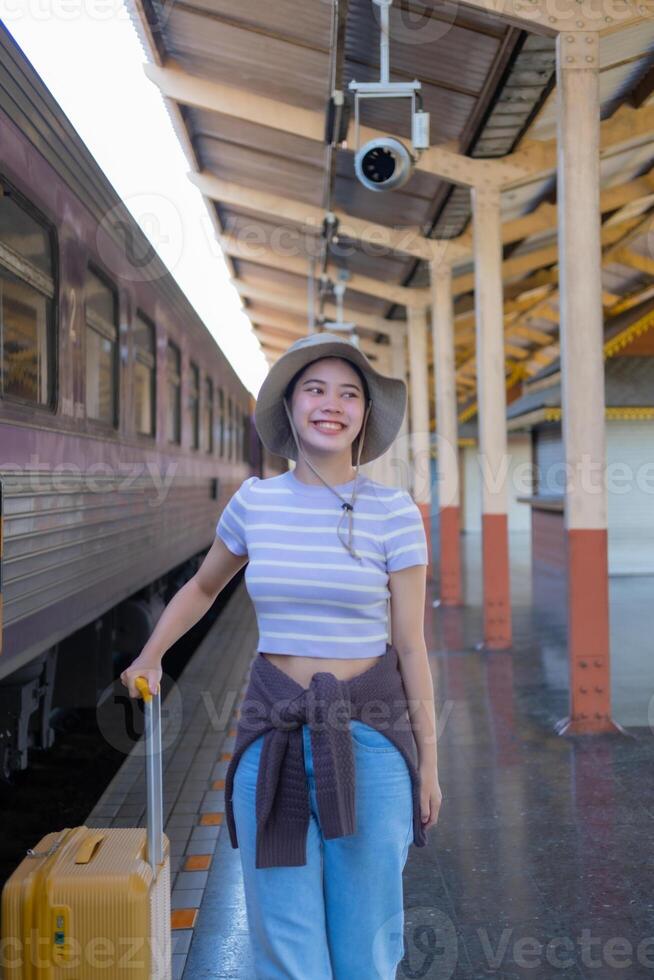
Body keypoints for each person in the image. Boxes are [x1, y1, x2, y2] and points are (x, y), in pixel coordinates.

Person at [121, 332, 442, 979]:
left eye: (349, 393)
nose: (332, 404)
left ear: (365, 415)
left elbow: (411, 643)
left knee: (368, 946)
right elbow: (204, 586)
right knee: (284, 943)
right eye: (315, 390)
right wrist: (151, 655)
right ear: (292, 409)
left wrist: (428, 764)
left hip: (374, 742)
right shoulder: (255, 503)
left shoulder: (395, 512)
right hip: (272, 734)